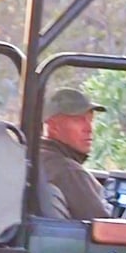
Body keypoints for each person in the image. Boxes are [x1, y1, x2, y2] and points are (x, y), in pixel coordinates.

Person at [36, 86, 112, 220]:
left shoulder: (38, 156)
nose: (89, 129)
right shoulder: (69, 172)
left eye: (90, 121)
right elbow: (106, 231)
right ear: (53, 125)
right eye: (79, 120)